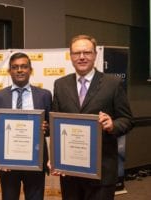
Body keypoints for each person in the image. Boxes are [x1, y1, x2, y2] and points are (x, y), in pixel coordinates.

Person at [52, 34, 133, 200]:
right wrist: (56, 158)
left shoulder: (113, 83)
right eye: (76, 53)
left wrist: (113, 125)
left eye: (87, 52)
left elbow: (127, 120)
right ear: (71, 56)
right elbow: (56, 125)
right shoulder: (60, 84)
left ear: (95, 55)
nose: (82, 57)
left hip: (101, 171)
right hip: (70, 171)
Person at [0, 52, 52, 200]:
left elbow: (51, 129)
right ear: (9, 71)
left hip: (36, 161)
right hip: (8, 163)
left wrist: (45, 128)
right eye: (15, 67)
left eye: (24, 66)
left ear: (31, 69)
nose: (19, 70)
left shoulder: (44, 95)